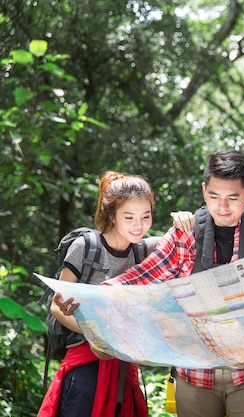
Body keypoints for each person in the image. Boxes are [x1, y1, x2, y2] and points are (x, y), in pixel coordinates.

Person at [56, 150, 244, 417]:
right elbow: (142, 278)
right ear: (204, 190)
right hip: (194, 375)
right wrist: (87, 298)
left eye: (232, 198)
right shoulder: (187, 234)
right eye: (214, 196)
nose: (222, 207)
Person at [38, 171, 159, 417]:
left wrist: (186, 219)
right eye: (129, 217)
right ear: (111, 215)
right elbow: (55, 306)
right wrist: (97, 336)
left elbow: (181, 240)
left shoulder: (143, 251)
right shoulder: (86, 247)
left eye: (146, 216)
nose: (139, 225)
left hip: (124, 365)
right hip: (86, 359)